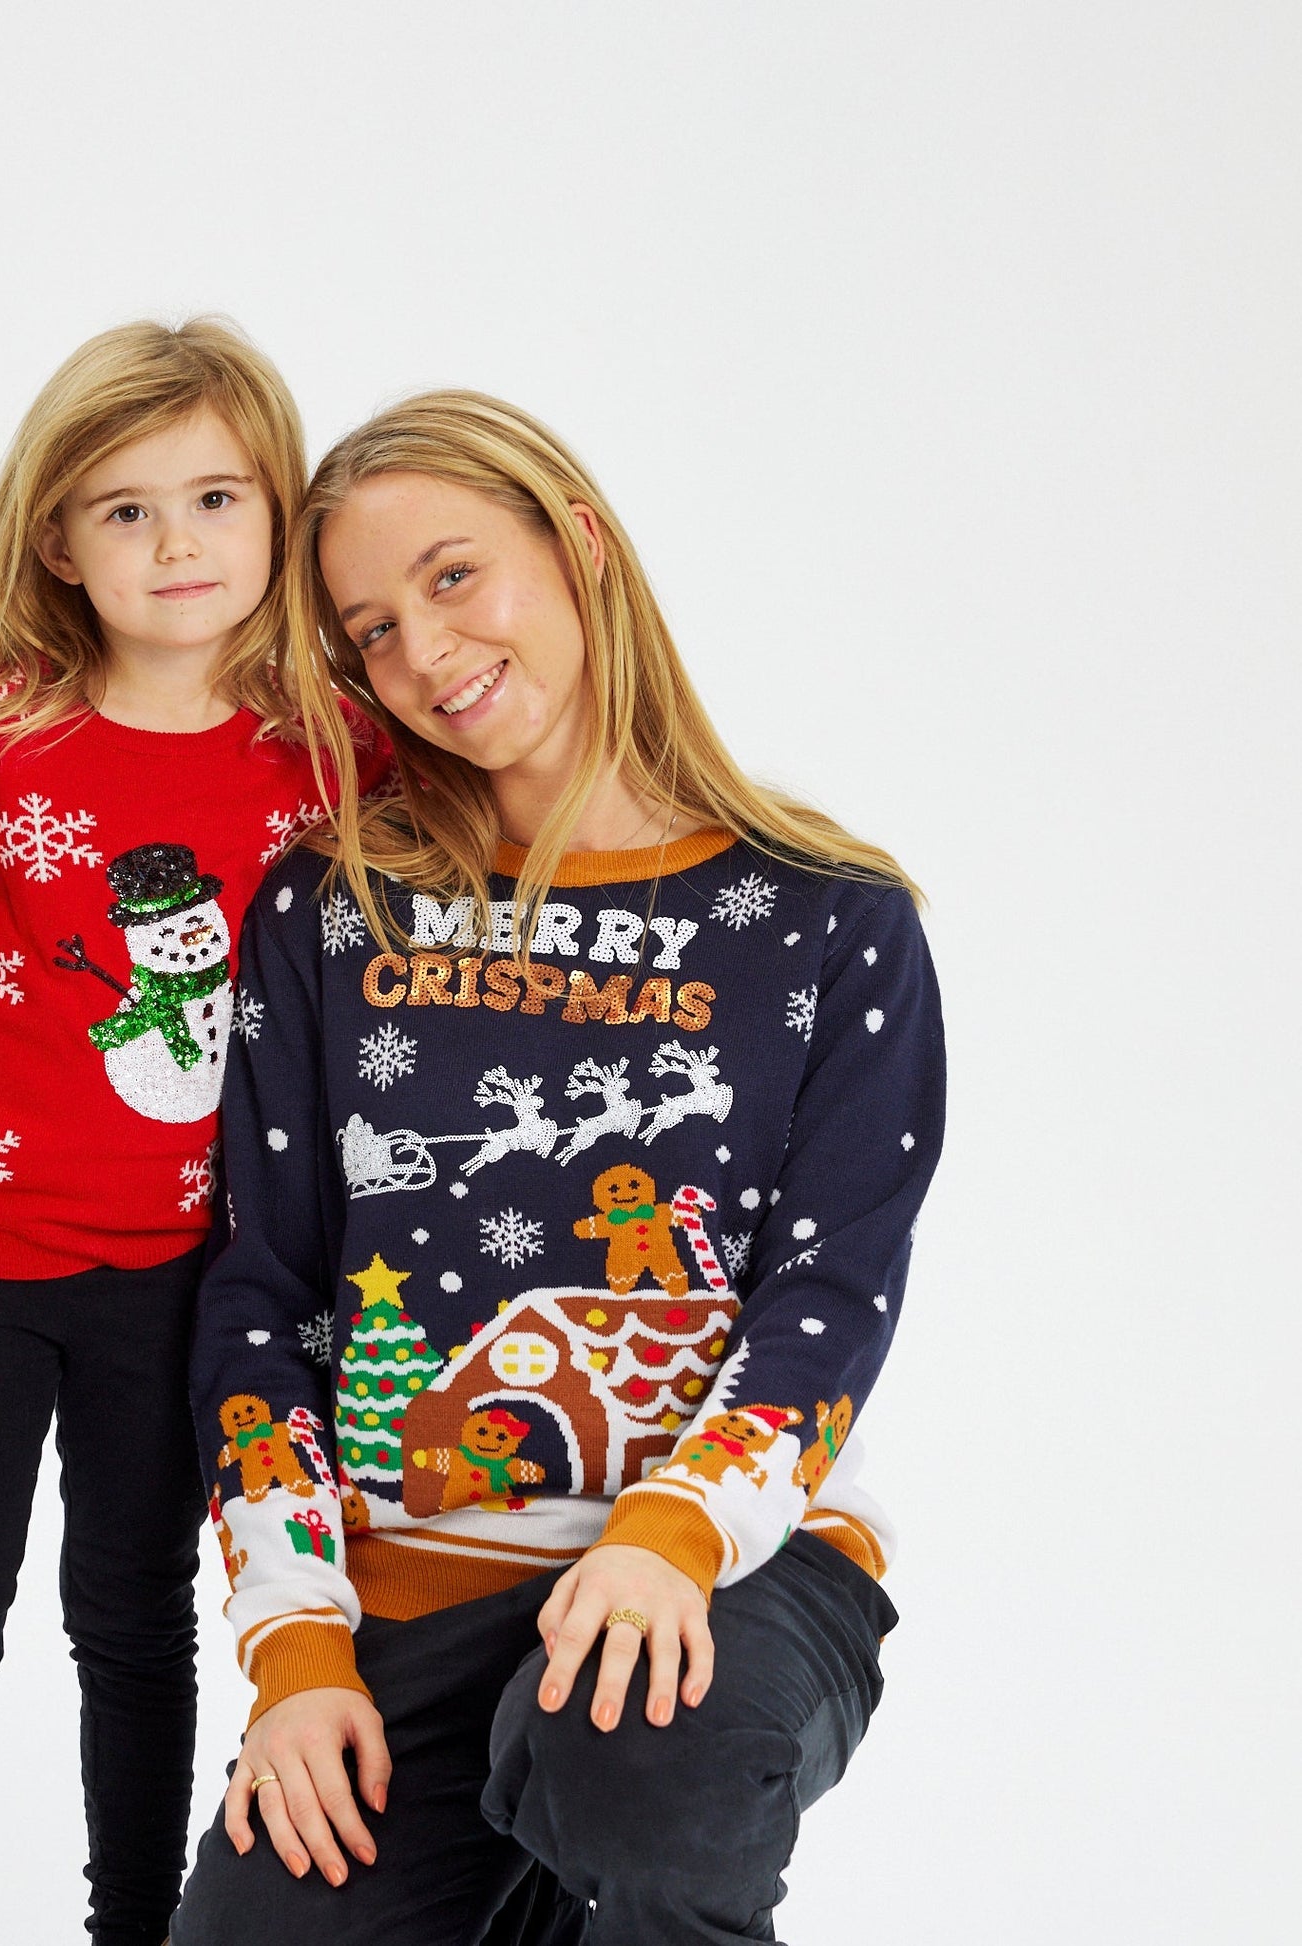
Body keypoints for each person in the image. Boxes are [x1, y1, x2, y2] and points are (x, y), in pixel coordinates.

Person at [173, 391, 947, 1944]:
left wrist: (669, 1535)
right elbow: (262, 1296)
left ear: (578, 544)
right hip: (410, 1595)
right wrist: (295, 1647)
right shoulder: (330, 911)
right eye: (372, 629)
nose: (423, 651)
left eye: (453, 576)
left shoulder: (831, 920)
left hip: (730, 1570)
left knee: (635, 1760)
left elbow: (828, 1301)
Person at [0, 319, 381, 1946]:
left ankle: (134, 1930)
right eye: (126, 510)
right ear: (57, 541)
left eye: (216, 499)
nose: (176, 544)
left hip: (189, 1273)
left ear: (278, 512)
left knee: (136, 1617)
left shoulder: (330, 754)